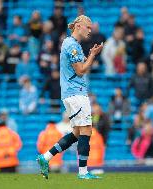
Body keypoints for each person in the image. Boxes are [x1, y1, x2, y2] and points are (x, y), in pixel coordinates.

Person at [37, 15, 103, 180]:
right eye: (88, 27)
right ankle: (83, 172)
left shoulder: (73, 45)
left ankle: (45, 158)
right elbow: (81, 70)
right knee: (87, 129)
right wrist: (93, 55)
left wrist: (90, 55)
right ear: (79, 26)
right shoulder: (71, 45)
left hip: (72, 93)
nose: (90, 30)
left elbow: (79, 69)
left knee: (76, 132)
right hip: (75, 93)